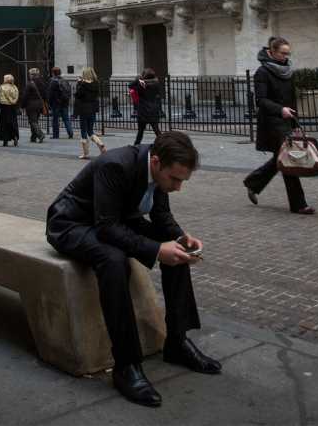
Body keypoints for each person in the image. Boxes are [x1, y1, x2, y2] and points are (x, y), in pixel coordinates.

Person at [46, 132, 220, 407]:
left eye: (182, 180)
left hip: (112, 219)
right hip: (72, 223)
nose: (177, 187)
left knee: (176, 252)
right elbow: (106, 226)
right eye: (174, 179)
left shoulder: (160, 170)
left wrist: (180, 237)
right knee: (114, 261)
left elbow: (160, 215)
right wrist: (154, 250)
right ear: (155, 162)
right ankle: (126, 366)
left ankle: (177, 342)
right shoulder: (115, 165)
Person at [243, 37, 313, 214]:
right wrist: (280, 109)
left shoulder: (288, 71)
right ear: (271, 52)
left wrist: (295, 123)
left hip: (286, 120)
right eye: (282, 53)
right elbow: (261, 100)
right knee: (289, 158)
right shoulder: (262, 72)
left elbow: (292, 98)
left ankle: (253, 182)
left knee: (280, 159)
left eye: (287, 53)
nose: (285, 56)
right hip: (272, 121)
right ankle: (299, 204)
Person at [75, 67, 106, 158]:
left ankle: (85, 153)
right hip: (92, 109)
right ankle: (100, 143)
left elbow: (78, 95)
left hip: (84, 109)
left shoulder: (83, 85)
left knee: (83, 131)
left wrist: (79, 83)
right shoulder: (96, 84)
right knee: (90, 131)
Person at [132, 69, 163, 146]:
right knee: (156, 130)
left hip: (143, 110)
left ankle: (136, 145)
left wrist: (138, 79)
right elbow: (158, 94)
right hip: (153, 109)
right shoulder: (156, 84)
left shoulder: (142, 85)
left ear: (144, 76)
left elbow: (131, 85)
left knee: (140, 132)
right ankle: (163, 144)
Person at [48, 67, 75, 140]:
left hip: (56, 103)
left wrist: (49, 103)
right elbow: (69, 92)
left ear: (53, 73)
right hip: (64, 103)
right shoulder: (65, 80)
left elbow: (50, 94)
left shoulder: (53, 81)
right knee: (66, 119)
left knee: (55, 120)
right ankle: (70, 133)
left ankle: (56, 135)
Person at [23, 69, 48, 143]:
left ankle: (40, 134)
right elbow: (45, 94)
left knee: (32, 121)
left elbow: (25, 96)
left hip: (31, 105)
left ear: (32, 75)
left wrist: (22, 106)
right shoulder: (42, 83)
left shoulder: (30, 84)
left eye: (30, 74)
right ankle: (33, 137)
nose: (29, 75)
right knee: (35, 120)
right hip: (40, 104)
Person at [0, 75, 21, 146]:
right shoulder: (15, 87)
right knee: (13, 122)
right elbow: (16, 97)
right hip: (12, 107)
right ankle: (15, 136)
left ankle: (5, 140)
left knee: (3, 124)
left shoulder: (2, 87)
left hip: (4, 107)